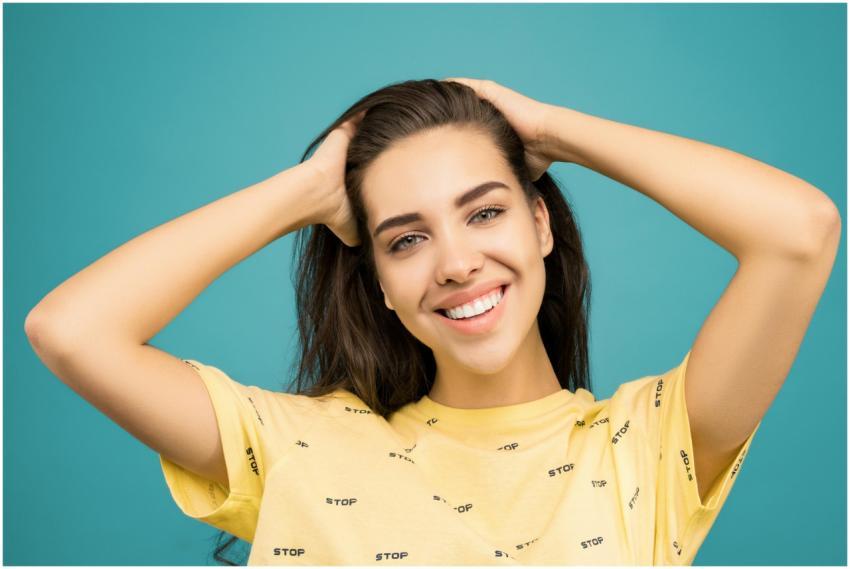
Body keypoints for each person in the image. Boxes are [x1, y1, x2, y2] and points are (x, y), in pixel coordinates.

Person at [24, 78, 840, 566]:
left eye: (485, 212)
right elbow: (70, 329)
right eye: (406, 238)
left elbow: (799, 232)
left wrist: (552, 130)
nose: (454, 263)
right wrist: (306, 192)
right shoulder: (293, 444)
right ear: (377, 281)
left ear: (542, 226)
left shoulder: (653, 446)